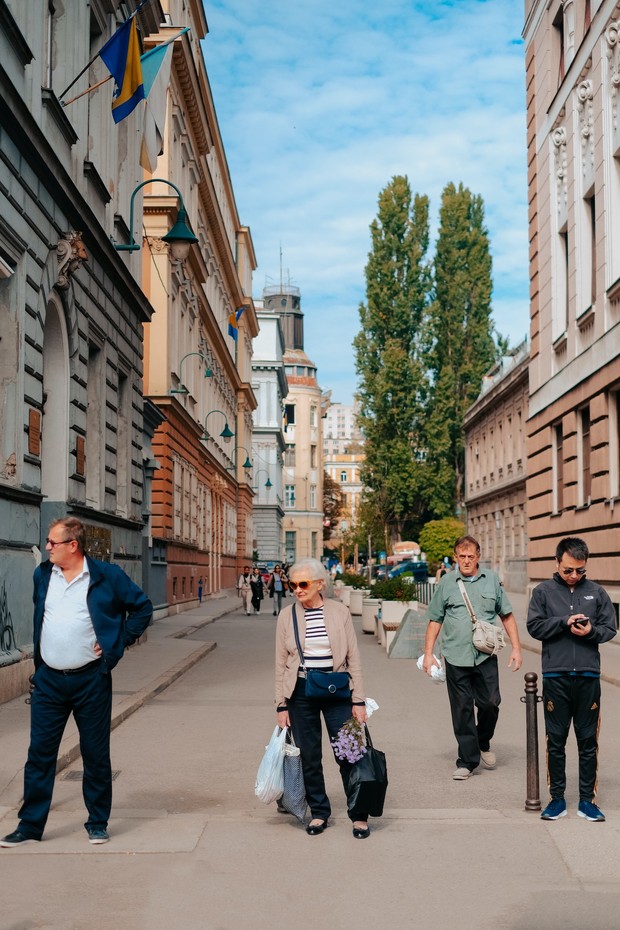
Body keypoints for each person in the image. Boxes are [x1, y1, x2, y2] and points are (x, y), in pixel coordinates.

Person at [0, 517, 152, 848]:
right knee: (39, 754)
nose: (47, 547)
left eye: (53, 542)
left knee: (95, 754)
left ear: (73, 545)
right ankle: (29, 826)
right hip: (49, 681)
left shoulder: (106, 576)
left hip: (91, 680)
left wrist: (117, 642)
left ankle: (97, 823)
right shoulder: (43, 574)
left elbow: (142, 608)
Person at [275, 558, 370, 838]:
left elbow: (353, 658)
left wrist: (359, 700)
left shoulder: (339, 612)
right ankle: (319, 812)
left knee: (349, 753)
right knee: (310, 756)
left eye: (303, 584)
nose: (297, 589)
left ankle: (359, 815)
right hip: (300, 692)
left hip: (338, 691)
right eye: (293, 584)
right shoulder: (287, 616)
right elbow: (280, 664)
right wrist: (281, 704)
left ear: (320, 584)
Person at [526, 537, 617, 823]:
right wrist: (563, 622)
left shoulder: (597, 592)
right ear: (557, 563)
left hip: (588, 676)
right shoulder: (543, 592)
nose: (574, 575)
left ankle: (587, 801)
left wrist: (590, 632)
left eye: (580, 570)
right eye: (568, 570)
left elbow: (610, 628)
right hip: (556, 675)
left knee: (588, 741)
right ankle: (557, 799)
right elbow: (534, 626)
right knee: (556, 740)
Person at [423, 535, 522, 779]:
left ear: (478, 557)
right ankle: (467, 761)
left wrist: (516, 648)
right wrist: (428, 654)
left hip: (485, 655)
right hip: (455, 655)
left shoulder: (491, 580)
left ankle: (482, 741)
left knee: (490, 703)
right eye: (462, 557)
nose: (466, 561)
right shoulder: (447, 583)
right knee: (462, 709)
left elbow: (507, 615)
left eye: (470, 556)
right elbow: (435, 619)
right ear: (455, 557)